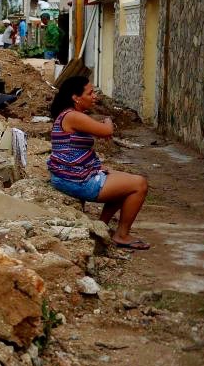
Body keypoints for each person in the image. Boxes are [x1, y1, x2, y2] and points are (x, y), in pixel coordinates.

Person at [48, 76, 150, 249]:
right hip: (75, 180)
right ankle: (122, 235)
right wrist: (108, 120)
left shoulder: (71, 115)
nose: (94, 96)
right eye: (90, 92)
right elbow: (106, 131)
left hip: (69, 176)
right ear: (76, 97)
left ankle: (101, 225)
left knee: (122, 178)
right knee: (140, 184)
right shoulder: (72, 116)